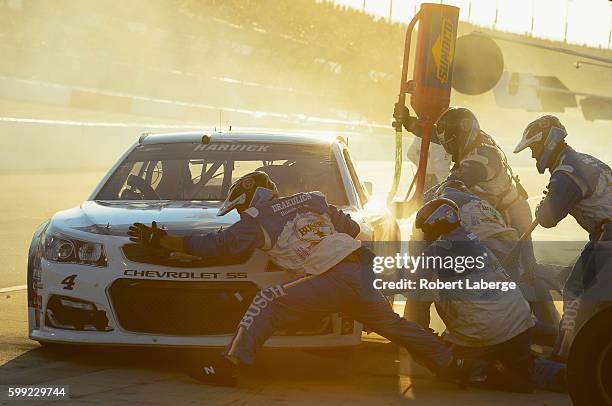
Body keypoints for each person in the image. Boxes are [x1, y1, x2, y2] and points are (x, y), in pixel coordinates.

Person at [127, 171, 459, 386]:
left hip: (334, 275)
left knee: (268, 299)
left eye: (240, 207)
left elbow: (217, 245)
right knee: (394, 326)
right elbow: (352, 228)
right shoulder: (314, 198)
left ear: (250, 198)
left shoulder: (255, 219)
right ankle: (451, 365)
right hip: (362, 268)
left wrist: (164, 240)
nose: (241, 214)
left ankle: (229, 365)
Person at [394, 104, 558, 340]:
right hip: (487, 213)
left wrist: (415, 205)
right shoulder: (468, 141)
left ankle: (549, 329)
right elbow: (440, 138)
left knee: (523, 271)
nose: (449, 150)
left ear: (463, 133)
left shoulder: (483, 156)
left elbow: (452, 184)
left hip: (511, 215)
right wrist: (409, 123)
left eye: (452, 143)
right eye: (448, 143)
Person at [407, 198, 566, 392]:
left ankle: (481, 372)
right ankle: (569, 375)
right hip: (520, 325)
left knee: (439, 357)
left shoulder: (432, 255)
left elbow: (416, 309)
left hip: (480, 336)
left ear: (433, 225)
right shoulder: (478, 243)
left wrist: (422, 341)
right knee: (525, 362)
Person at [514, 115, 612, 360]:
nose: (533, 155)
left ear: (548, 142)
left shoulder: (567, 170)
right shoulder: (585, 160)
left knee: (576, 292)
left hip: (607, 236)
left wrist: (541, 206)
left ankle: (567, 358)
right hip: (602, 236)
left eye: (534, 148)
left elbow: (548, 218)